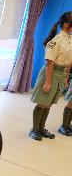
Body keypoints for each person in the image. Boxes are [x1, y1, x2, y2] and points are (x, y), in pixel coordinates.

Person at [29, 11, 72, 140]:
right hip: (51, 73)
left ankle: (41, 128)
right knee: (42, 102)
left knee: (49, 103)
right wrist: (48, 81)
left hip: (61, 74)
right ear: (66, 25)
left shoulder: (70, 39)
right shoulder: (56, 40)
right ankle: (34, 129)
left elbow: (69, 60)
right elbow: (50, 62)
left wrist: (65, 77)